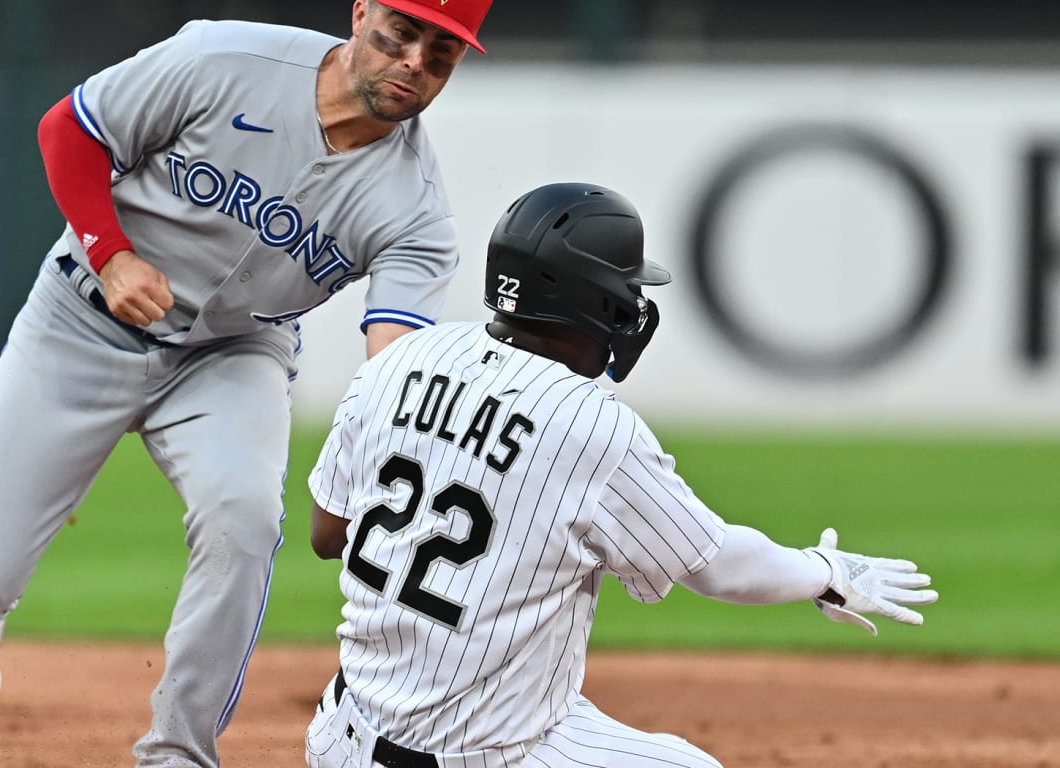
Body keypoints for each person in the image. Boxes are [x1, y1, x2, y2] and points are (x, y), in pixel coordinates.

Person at [0, 2, 492, 766]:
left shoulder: (415, 208)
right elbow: (70, 131)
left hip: (232, 353)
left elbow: (394, 363)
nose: (414, 60)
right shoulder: (225, 60)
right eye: (400, 33)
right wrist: (110, 253)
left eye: (442, 51)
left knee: (245, 519)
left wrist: (389, 453)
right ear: (359, 16)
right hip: (80, 320)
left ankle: (177, 754)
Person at [303, 182, 940, 768]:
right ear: (593, 301)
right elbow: (717, 564)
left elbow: (328, 535)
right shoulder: (594, 428)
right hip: (484, 755)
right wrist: (824, 573)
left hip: (339, 735)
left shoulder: (404, 355)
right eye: (625, 290)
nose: (633, 305)